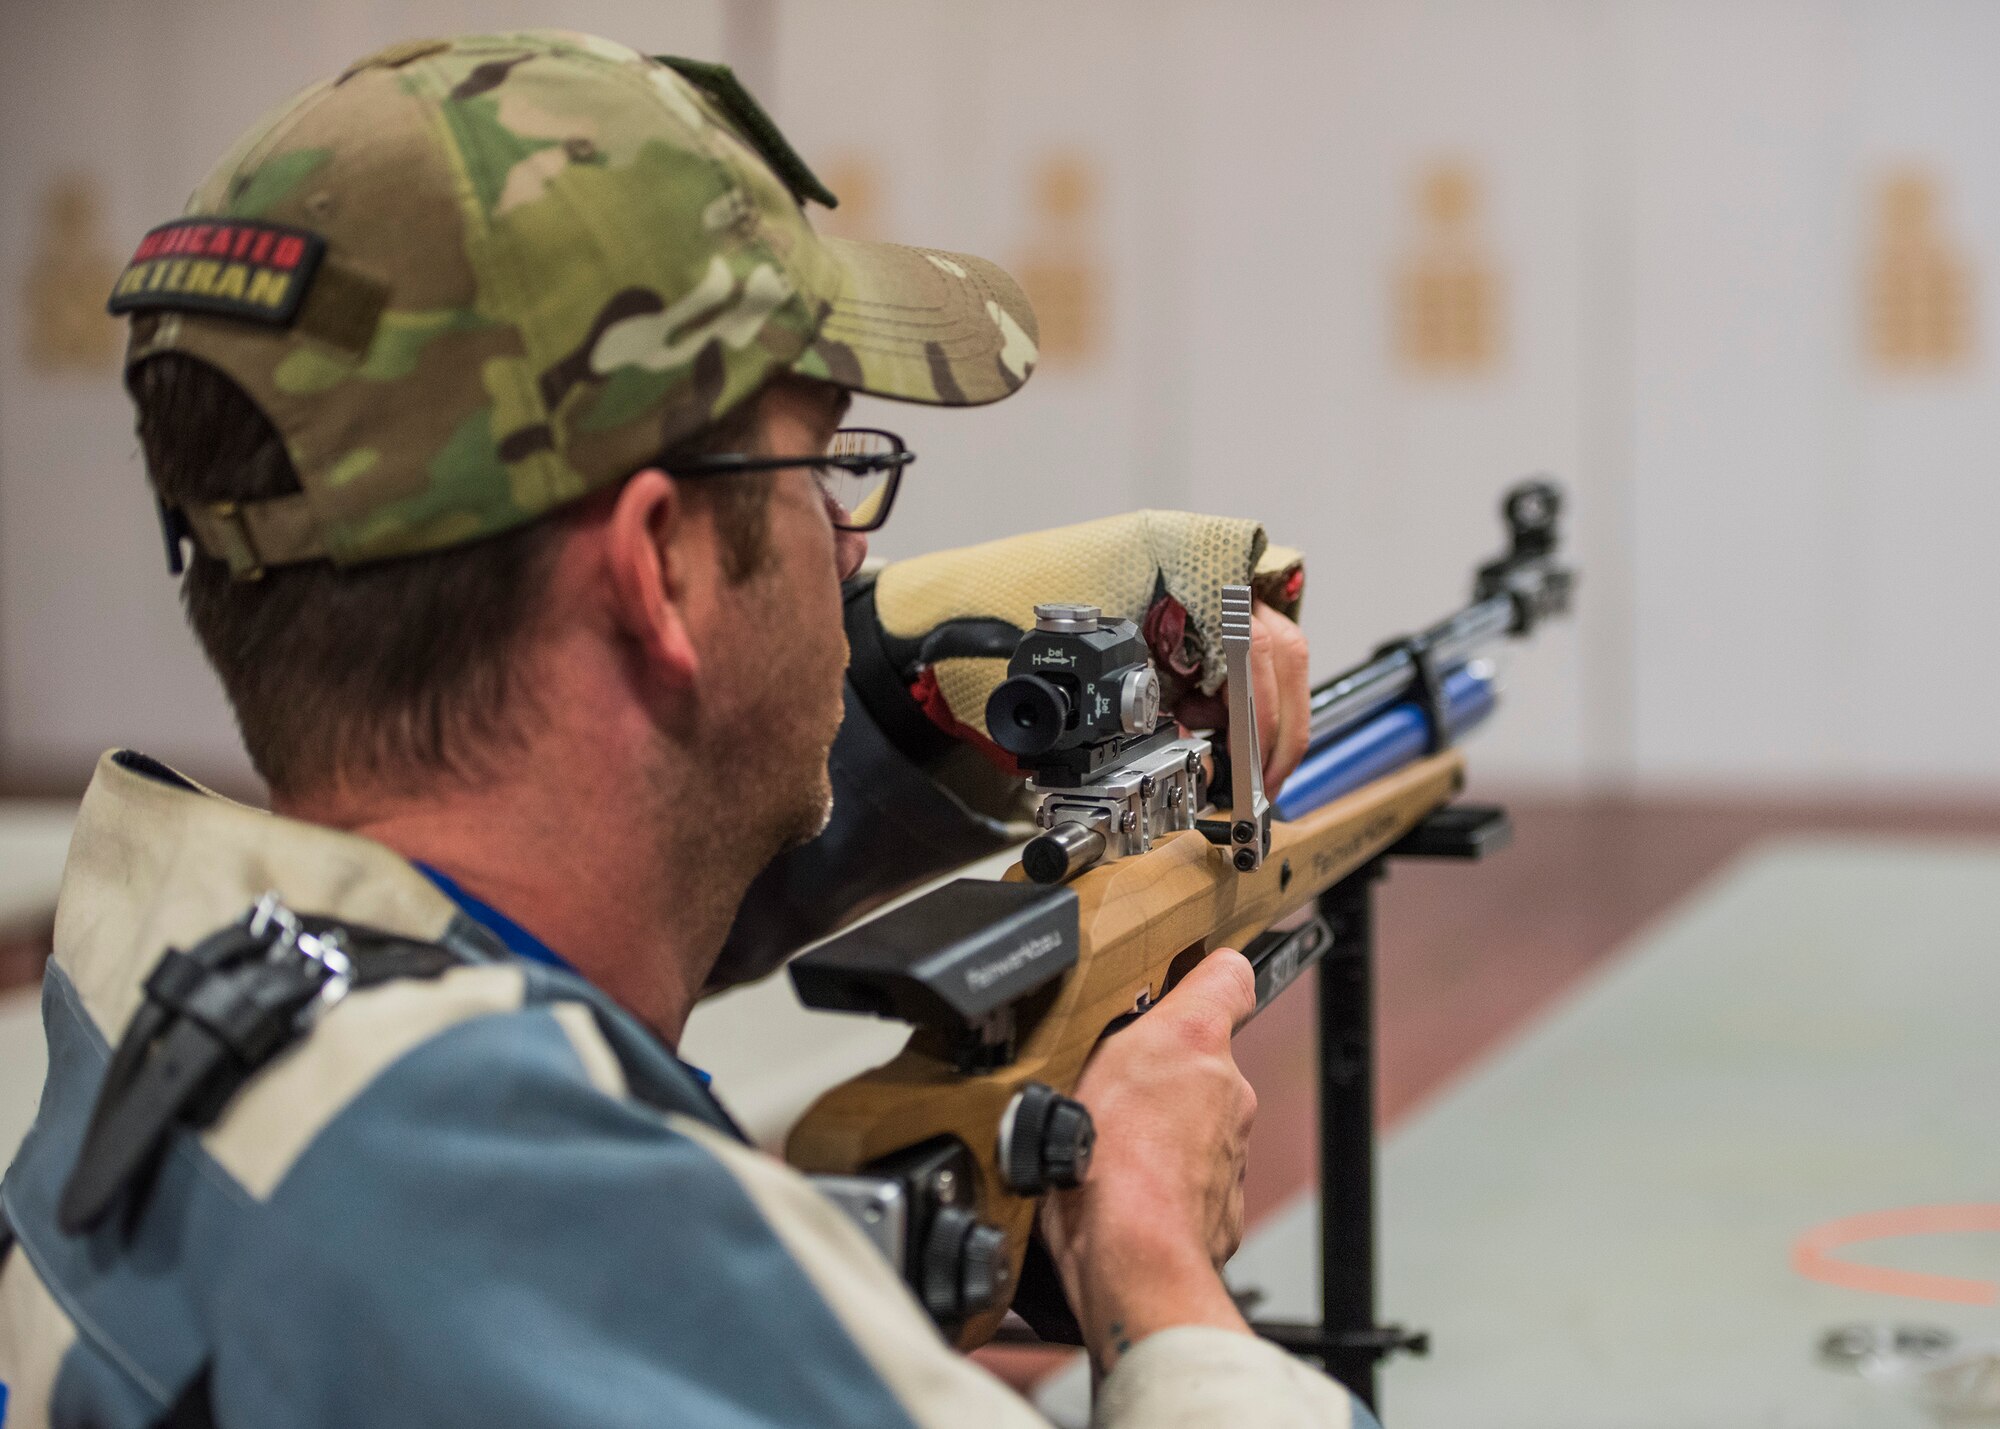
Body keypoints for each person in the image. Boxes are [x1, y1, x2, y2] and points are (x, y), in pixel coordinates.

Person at [0, 31, 1367, 1428]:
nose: (849, 549)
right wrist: (1160, 1283)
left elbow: (597, 876)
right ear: (658, 567)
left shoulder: (160, 995)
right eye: (828, 470)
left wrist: (909, 690)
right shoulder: (627, 1277)